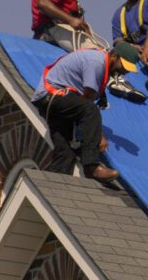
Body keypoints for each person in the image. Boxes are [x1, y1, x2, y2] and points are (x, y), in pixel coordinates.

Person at [31, 44, 140, 181]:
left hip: (56, 101)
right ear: (114, 56)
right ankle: (91, 166)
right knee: (90, 109)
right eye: (123, 66)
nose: (124, 71)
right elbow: (88, 101)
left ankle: (52, 184)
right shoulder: (96, 62)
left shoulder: (101, 64)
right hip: (52, 95)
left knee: (65, 153)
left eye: (127, 69)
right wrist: (99, 136)